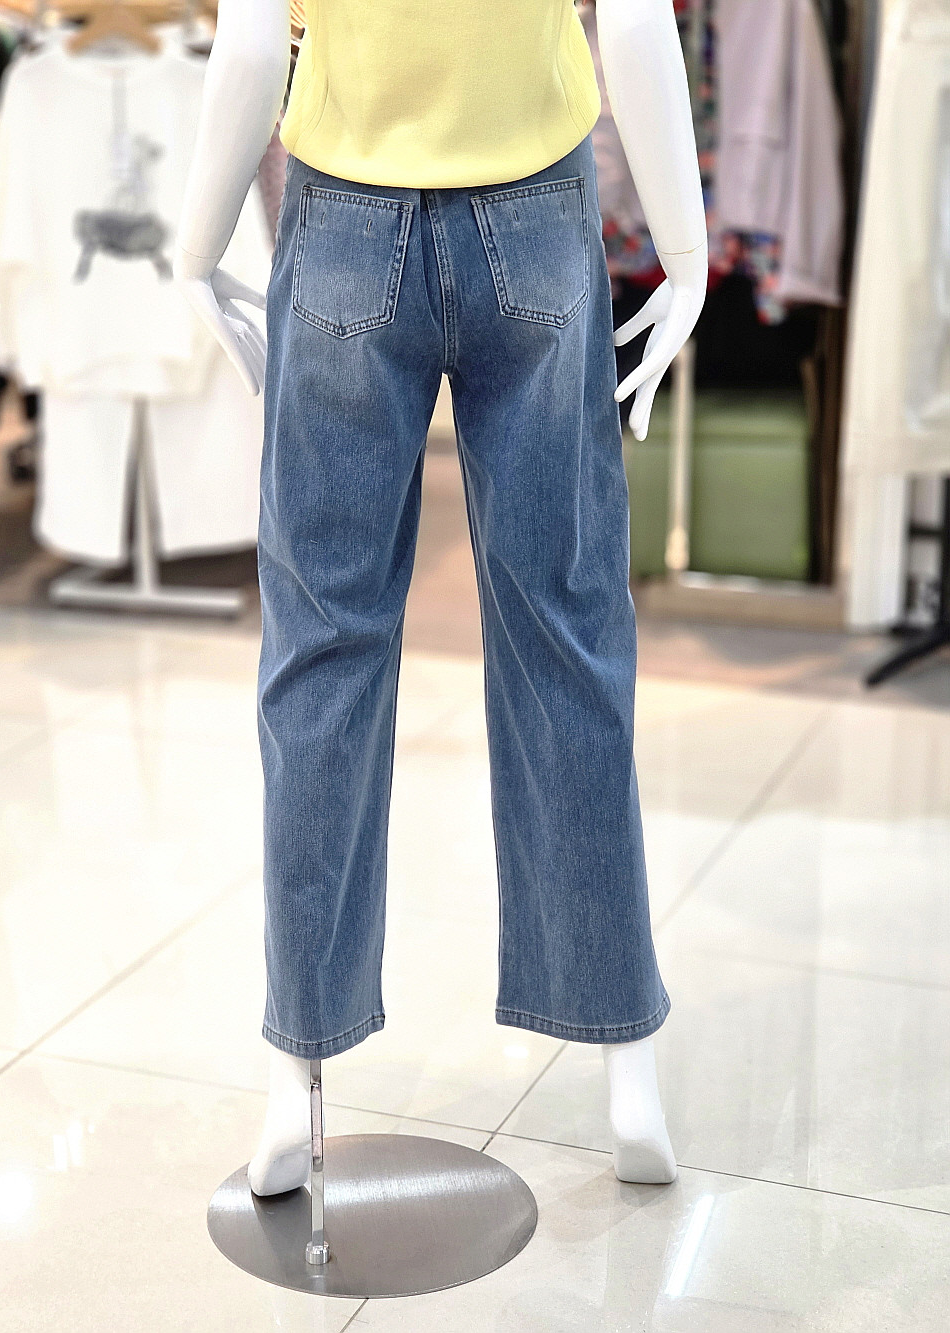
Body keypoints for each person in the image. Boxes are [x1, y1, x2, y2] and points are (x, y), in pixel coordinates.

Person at [174, 0, 707, 1192]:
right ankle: (626, 1067)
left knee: (322, 648)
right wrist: (685, 251)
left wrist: (196, 249)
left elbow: (253, 43)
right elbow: (632, 20)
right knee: (568, 634)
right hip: (536, 214)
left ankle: (296, 1077)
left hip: (346, 222)